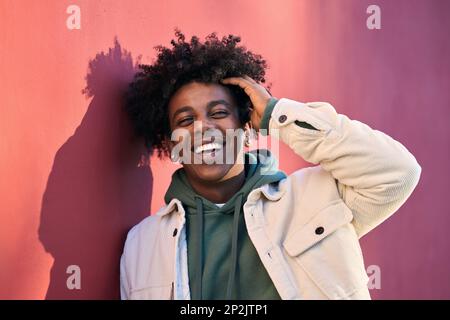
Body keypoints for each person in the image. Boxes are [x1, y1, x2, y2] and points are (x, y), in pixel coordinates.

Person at [119, 29, 421, 300]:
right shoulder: (141, 245)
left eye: (220, 112)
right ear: (172, 143)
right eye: (186, 120)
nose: (202, 128)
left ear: (248, 125)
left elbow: (397, 172)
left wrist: (275, 114)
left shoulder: (316, 198)